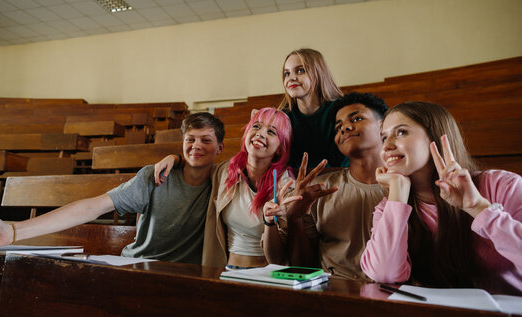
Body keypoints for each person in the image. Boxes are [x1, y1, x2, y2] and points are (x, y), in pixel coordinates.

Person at [0, 112, 225, 265]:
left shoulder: (224, 180)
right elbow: (91, 208)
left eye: (206, 140)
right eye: (190, 139)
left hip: (185, 276)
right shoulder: (155, 176)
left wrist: (175, 157)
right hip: (137, 267)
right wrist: (13, 232)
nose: (196, 146)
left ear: (220, 147)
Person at [360, 101, 522, 295]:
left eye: (401, 132)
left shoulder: (503, 186)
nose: (387, 146)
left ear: (435, 137)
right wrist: (397, 191)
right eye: (384, 137)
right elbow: (384, 275)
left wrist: (478, 207)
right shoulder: (389, 206)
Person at [263, 92, 388, 280]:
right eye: (338, 127)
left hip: (393, 296)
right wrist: (296, 218)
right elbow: (302, 268)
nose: (344, 128)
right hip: (333, 291)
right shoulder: (318, 189)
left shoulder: (406, 186)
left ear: (383, 126)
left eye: (356, 118)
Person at [154, 107, 296, 269]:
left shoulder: (286, 186)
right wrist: (175, 159)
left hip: (265, 275)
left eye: (271, 132)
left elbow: (278, 259)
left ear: (280, 148)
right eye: (256, 126)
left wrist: (269, 222)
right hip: (226, 271)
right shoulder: (224, 172)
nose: (260, 133)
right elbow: (196, 166)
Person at [281, 48, 349, 168]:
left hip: (340, 181)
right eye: (287, 73)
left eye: (300, 70)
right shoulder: (283, 118)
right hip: (296, 184)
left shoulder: (343, 110)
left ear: (319, 73)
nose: (291, 78)